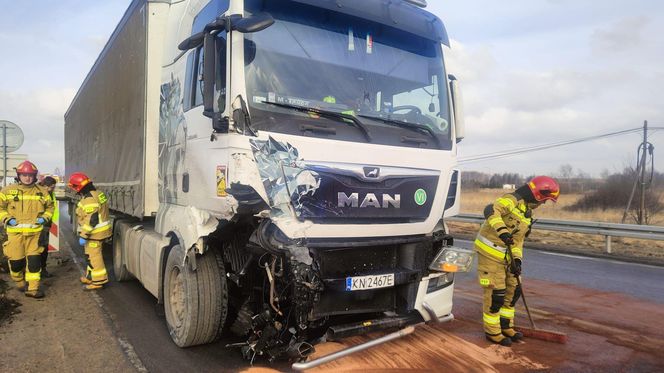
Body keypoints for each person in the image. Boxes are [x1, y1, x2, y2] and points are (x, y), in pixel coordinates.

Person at [474, 176, 560, 346]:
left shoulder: (527, 213)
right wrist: (502, 231)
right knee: (495, 295)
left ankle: (506, 326)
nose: (544, 204)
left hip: (508, 257)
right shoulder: (511, 201)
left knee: (514, 290)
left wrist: (517, 260)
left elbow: (518, 240)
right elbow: (492, 211)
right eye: (545, 200)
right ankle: (492, 332)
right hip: (490, 254)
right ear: (538, 195)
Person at [0, 161, 54, 298]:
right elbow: (0, 208)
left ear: (34, 176)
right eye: (24, 175)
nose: (27, 178)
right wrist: (7, 219)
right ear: (19, 175)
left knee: (35, 262)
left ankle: (33, 288)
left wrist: (44, 218)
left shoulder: (42, 192)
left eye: (30, 175)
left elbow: (50, 208)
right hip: (15, 234)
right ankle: (19, 281)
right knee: (16, 263)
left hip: (35, 234)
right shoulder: (7, 191)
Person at [68, 172, 112, 290]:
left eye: (74, 188)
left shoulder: (88, 199)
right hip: (100, 232)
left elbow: (91, 220)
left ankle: (98, 281)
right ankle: (90, 277)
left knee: (94, 257)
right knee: (89, 255)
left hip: (94, 234)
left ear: (77, 187)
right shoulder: (98, 193)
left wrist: (83, 235)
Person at [38, 176, 57, 277]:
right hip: (39, 226)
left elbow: (52, 209)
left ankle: (42, 269)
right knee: (38, 249)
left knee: (44, 249)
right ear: (45, 186)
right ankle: (38, 270)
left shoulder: (50, 193)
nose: (53, 189)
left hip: (46, 225)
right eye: (52, 187)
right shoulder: (37, 193)